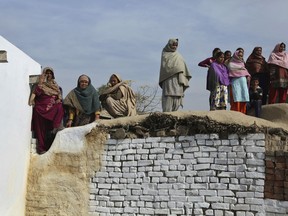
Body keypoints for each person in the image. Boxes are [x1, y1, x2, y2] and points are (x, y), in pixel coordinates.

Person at [29, 67, 64, 154]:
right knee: (41, 131)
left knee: (59, 107)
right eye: (46, 73)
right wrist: (40, 84)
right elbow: (35, 93)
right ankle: (41, 149)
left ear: (53, 75)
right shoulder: (40, 85)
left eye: (50, 73)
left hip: (51, 110)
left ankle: (56, 126)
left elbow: (59, 97)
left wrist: (58, 100)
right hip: (40, 110)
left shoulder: (56, 86)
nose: (48, 75)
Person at [159, 38, 191, 112]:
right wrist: (176, 68)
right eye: (173, 45)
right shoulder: (165, 53)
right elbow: (165, 67)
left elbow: (183, 68)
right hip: (168, 80)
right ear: (169, 45)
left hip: (178, 80)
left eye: (176, 45)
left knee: (177, 97)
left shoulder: (178, 55)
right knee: (168, 96)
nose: (175, 47)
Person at [227, 49, 251, 114]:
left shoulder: (242, 64)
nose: (240, 57)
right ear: (235, 55)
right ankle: (236, 113)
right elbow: (231, 69)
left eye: (241, 56)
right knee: (236, 98)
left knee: (243, 97)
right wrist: (240, 69)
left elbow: (245, 72)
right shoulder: (231, 63)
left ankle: (242, 113)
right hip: (235, 82)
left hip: (243, 83)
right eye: (239, 55)